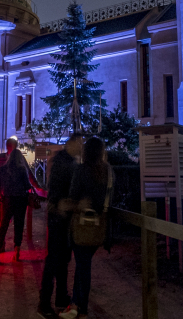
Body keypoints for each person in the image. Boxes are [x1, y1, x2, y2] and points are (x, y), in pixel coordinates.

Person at [59, 137, 113, 319]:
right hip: (100, 226)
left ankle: (79, 309)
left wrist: (70, 204)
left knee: (83, 266)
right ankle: (76, 305)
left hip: (82, 226)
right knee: (84, 265)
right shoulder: (109, 172)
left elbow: (73, 196)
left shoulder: (81, 170)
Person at [37, 136, 81, 318]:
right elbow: (58, 190)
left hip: (61, 216)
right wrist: (61, 204)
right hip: (60, 217)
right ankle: (45, 302)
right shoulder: (66, 163)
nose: (81, 146)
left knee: (61, 259)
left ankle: (59, 297)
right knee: (56, 259)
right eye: (79, 143)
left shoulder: (64, 161)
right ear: (71, 144)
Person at [0, 138, 44, 240]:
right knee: (3, 220)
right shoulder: (14, 159)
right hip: (5, 194)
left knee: (2, 220)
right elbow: (28, 173)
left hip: (1, 193)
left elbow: (28, 172)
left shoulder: (2, 159)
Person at [0, 148, 32, 264]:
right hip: (20, 199)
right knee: (19, 225)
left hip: (7, 199)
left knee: (4, 224)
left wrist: (1, 193)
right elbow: (27, 185)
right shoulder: (22, 169)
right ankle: (17, 249)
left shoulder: (3, 169)